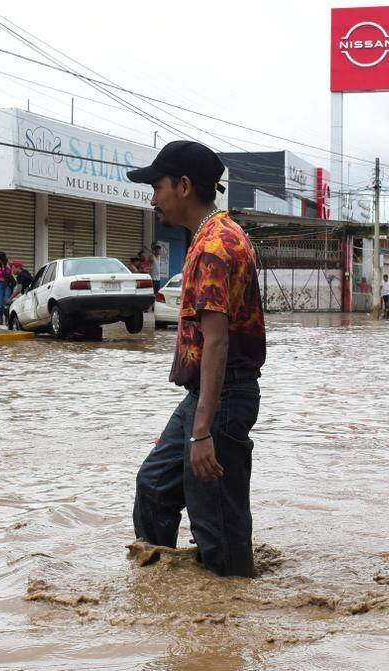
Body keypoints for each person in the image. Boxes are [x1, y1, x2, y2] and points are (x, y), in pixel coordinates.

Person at [127, 140, 265, 577]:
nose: (153, 197)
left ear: (183, 186)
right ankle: (164, 594)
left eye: (157, 186)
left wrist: (202, 431)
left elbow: (217, 342)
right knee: (155, 485)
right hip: (207, 396)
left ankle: (227, 618)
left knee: (217, 524)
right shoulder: (216, 235)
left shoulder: (213, 247)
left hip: (220, 399)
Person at [0, 251, 14, 326]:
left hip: (8, 284)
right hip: (0, 284)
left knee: (7, 302)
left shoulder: (9, 264)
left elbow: (14, 271)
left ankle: (7, 319)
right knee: (0, 303)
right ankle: (0, 319)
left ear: (1, 258)